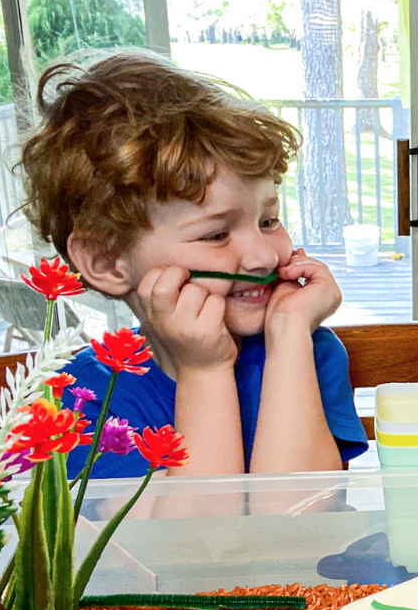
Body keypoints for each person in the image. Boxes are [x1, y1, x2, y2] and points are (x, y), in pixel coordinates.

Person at [20, 52, 368, 479]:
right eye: (216, 235)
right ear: (107, 262)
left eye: (268, 221)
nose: (263, 257)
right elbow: (202, 544)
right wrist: (204, 371)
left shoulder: (307, 352)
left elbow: (300, 520)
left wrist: (291, 332)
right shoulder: (83, 400)